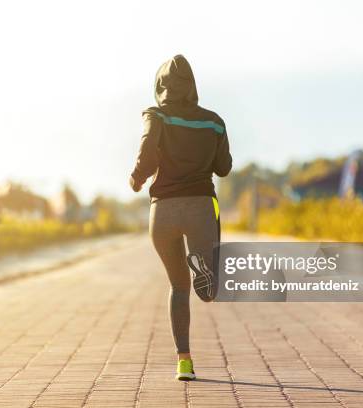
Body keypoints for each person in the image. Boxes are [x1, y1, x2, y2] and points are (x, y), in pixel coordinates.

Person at [129, 55, 232, 381]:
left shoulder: (155, 114)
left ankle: (184, 363)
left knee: (177, 286)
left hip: (163, 212)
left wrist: (137, 177)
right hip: (202, 208)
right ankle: (209, 275)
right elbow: (224, 168)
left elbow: (147, 149)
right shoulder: (214, 121)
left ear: (160, 86)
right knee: (209, 285)